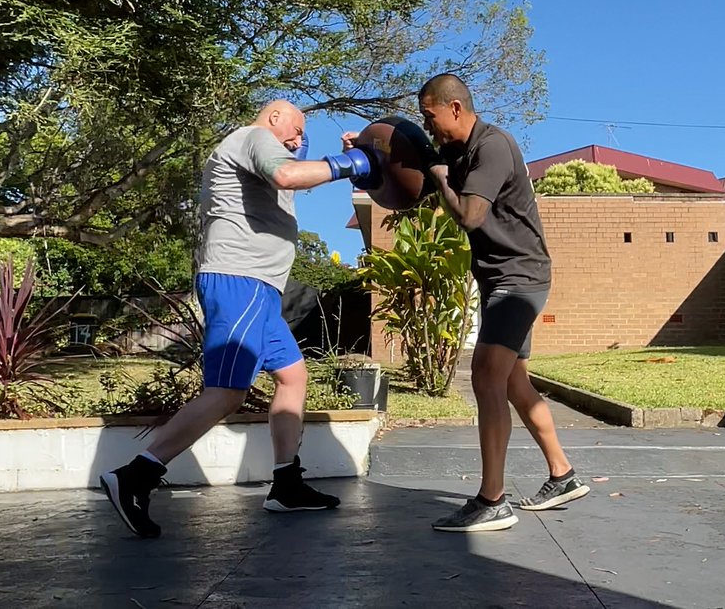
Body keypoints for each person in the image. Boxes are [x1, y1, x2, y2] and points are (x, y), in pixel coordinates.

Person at [100, 100, 375, 538]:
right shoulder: (255, 139)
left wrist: (356, 159)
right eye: (297, 129)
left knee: (293, 377)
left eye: (304, 137)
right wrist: (355, 161)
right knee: (227, 392)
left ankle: (286, 484)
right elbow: (289, 174)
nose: (300, 139)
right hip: (239, 281)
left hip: (258, 289)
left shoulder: (264, 154)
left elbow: (298, 174)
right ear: (273, 117)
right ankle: (136, 476)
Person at [418, 73, 588, 533]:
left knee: (485, 375)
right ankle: (563, 473)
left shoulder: (491, 146)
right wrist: (374, 151)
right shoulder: (459, 151)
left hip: (519, 278)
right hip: (503, 279)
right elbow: (414, 168)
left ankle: (492, 499)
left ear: (455, 108)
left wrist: (437, 177)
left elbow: (471, 216)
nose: (429, 126)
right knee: (514, 383)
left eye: (431, 116)